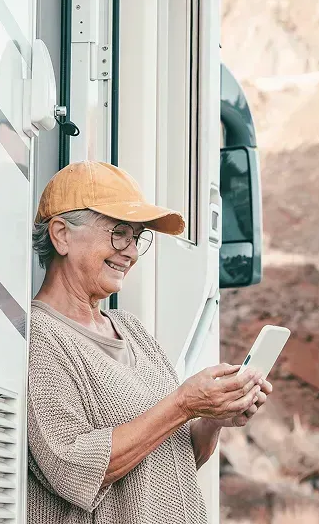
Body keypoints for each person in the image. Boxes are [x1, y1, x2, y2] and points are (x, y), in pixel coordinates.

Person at [27, 160, 273, 524]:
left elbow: (175, 458)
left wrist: (213, 419)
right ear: (61, 234)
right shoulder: (38, 336)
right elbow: (73, 468)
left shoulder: (132, 330)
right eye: (119, 232)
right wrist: (184, 404)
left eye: (137, 237)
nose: (130, 252)